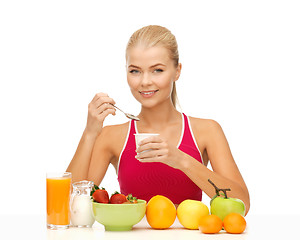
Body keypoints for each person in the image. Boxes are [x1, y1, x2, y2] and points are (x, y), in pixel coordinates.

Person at [66, 25, 250, 214]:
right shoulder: (111, 136)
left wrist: (181, 160)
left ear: (177, 71)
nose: (145, 81)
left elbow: (241, 204)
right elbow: (70, 206)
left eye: (157, 70)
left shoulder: (207, 131)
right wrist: (90, 132)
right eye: (135, 71)